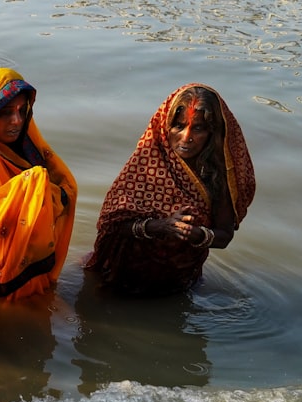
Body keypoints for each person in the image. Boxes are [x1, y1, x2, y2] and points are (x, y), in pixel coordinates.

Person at [84, 83, 256, 295]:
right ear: (166, 127)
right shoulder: (146, 164)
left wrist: (196, 235)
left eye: (198, 128)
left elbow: (224, 236)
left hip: (178, 283)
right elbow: (110, 224)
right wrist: (161, 226)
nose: (186, 137)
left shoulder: (217, 178)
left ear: (213, 132)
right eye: (179, 126)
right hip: (120, 278)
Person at [0, 68, 78, 300]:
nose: (16, 120)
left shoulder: (28, 146)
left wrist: (37, 188)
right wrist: (28, 189)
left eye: (22, 111)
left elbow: (66, 189)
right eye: (5, 112)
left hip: (32, 269)